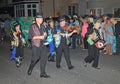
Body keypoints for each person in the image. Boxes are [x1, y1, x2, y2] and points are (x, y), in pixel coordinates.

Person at [27, 13, 50, 78]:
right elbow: (30, 37)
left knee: (44, 59)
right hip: (36, 45)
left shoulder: (43, 26)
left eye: (42, 18)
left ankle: (42, 73)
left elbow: (45, 34)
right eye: (40, 18)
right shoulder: (32, 26)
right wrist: (40, 37)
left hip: (43, 45)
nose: (41, 19)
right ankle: (30, 68)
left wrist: (45, 35)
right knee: (35, 59)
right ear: (37, 19)